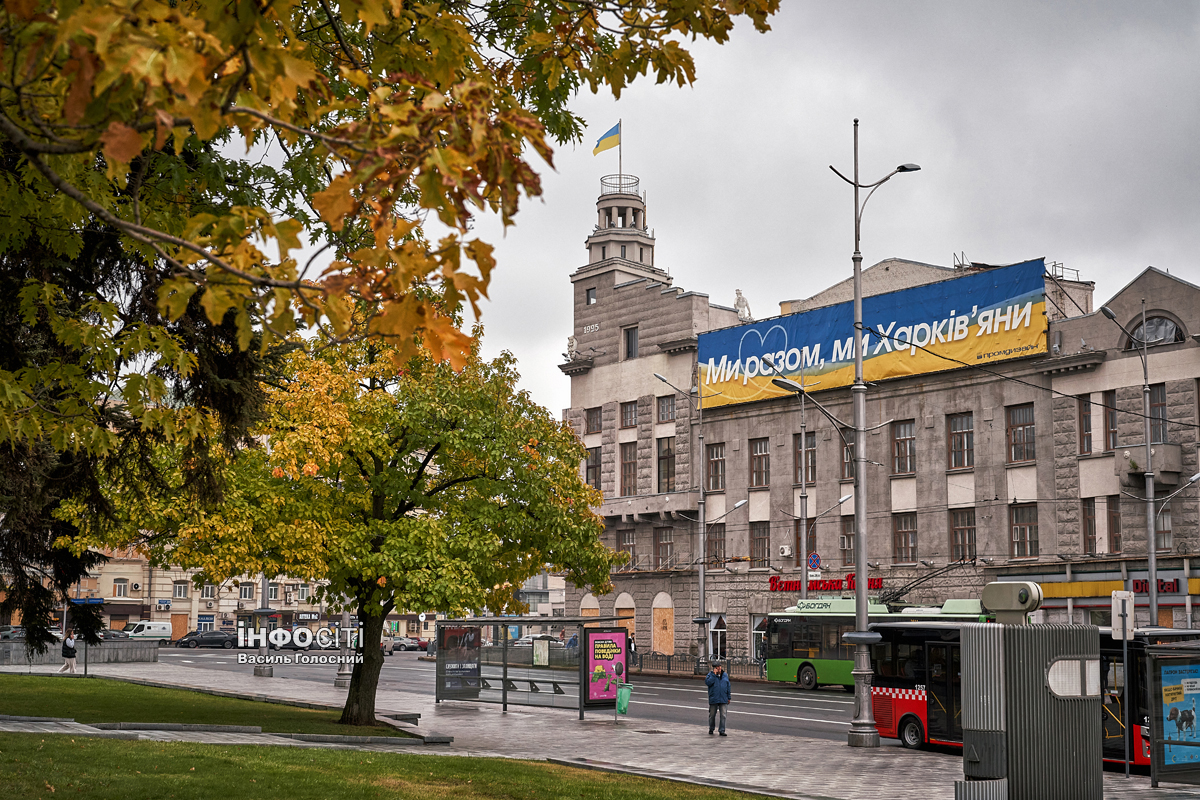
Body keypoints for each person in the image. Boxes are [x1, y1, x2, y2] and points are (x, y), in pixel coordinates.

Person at [705, 659, 731, 736]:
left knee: (723, 715)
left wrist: (728, 697)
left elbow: (728, 686)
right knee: (712, 715)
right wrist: (714, 674)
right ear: (714, 668)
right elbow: (708, 683)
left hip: (723, 698)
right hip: (714, 698)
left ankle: (722, 730)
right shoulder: (710, 675)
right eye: (717, 667)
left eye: (719, 666)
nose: (719, 668)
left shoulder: (725, 675)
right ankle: (711, 728)